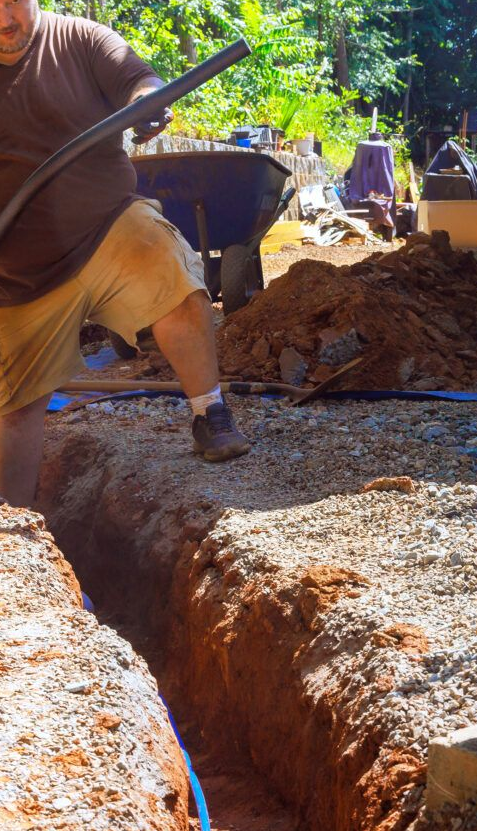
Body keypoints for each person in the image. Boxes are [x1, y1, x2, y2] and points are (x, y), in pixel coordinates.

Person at [0, 0, 250, 510]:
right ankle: (20, 540)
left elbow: (141, 80)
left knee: (169, 266)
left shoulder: (81, 39)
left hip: (106, 227)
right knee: (15, 411)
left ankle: (209, 412)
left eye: (12, 2)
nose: (4, 18)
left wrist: (149, 102)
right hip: (19, 270)